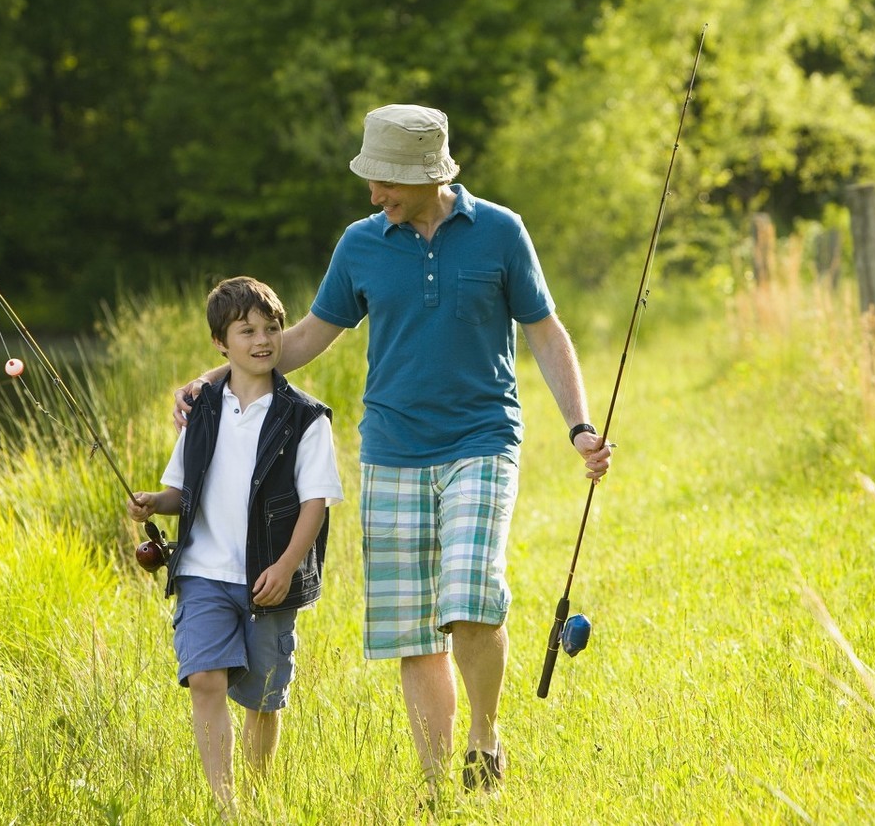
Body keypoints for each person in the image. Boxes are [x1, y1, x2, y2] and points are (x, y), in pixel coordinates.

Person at [173, 105, 612, 798]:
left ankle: (484, 736)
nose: (373, 194)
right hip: (391, 449)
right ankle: (438, 788)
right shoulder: (361, 244)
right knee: (414, 628)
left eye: (385, 182)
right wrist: (211, 378)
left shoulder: (500, 232)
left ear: (426, 175)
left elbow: (546, 331)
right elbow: (307, 336)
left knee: (470, 596)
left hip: (481, 438)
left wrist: (579, 425)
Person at [129, 275, 343, 817]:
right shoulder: (200, 412)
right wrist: (156, 501)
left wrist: (287, 567)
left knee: (261, 699)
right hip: (202, 571)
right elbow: (185, 491)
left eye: (270, 327)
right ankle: (226, 805)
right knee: (204, 676)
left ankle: (257, 795)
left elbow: (315, 505)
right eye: (245, 331)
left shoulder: (306, 419)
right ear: (220, 344)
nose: (262, 340)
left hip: (267, 578)